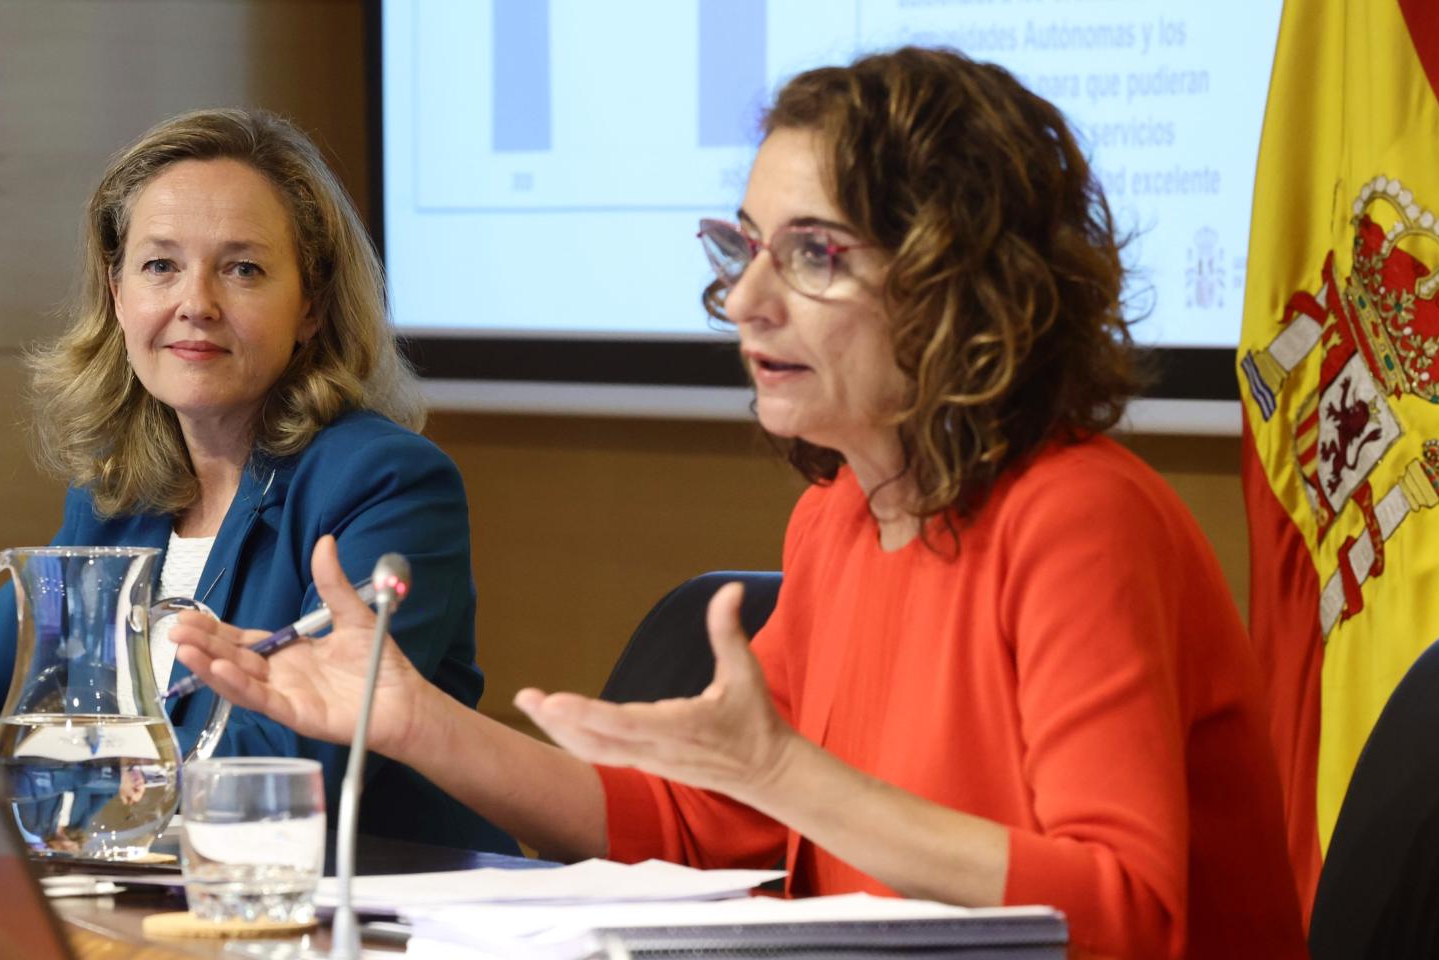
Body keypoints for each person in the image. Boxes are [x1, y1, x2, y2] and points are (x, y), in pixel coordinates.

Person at [172, 49, 1306, 957]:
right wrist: (417, 724)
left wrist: (784, 774)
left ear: (960, 282)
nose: (747, 302)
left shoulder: (1079, 519)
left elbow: (1121, 913)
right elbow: (709, 840)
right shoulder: (841, 519)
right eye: (743, 248)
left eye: (810, 253)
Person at [0, 107, 514, 853]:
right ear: (119, 291)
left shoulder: (385, 485)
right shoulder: (117, 499)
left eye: (242, 268)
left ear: (311, 305)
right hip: (149, 906)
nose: (197, 303)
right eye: (161, 265)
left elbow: (270, 774)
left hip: (366, 912)